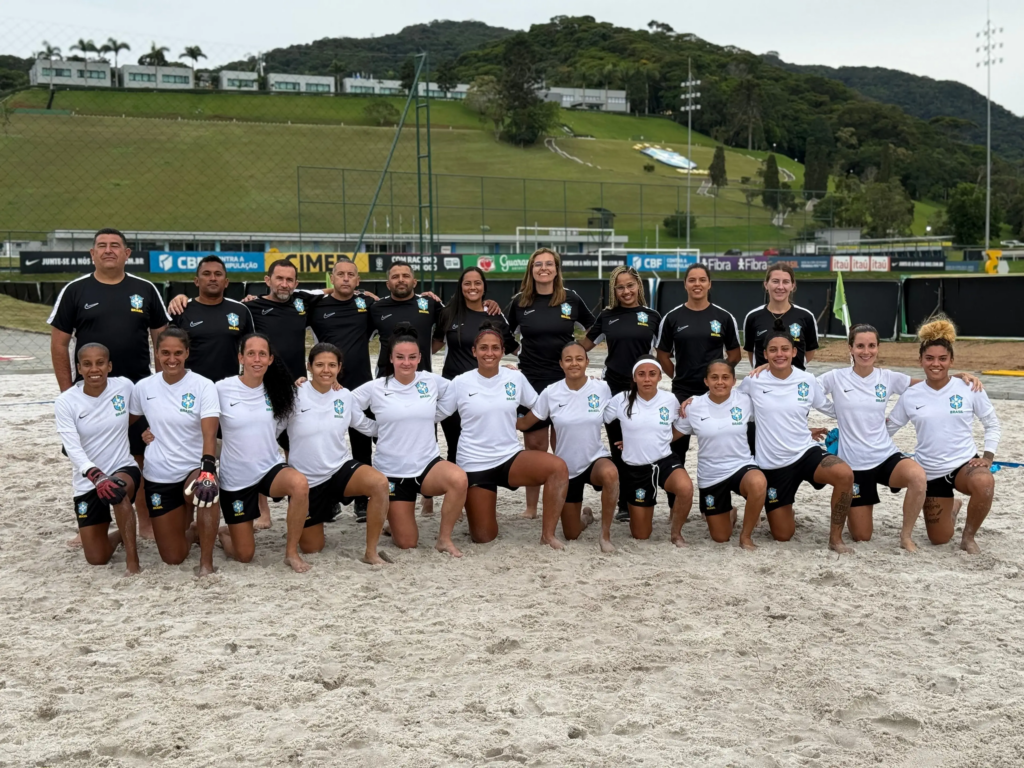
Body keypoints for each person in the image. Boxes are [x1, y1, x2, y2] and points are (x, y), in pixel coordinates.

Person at [48, 227, 169, 541]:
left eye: (116, 245)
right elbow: (60, 344)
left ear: (127, 253)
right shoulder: (76, 290)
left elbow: (161, 343)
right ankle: (91, 524)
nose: (108, 250)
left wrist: (161, 389)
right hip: (91, 393)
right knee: (88, 455)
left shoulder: (145, 289)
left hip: (137, 391)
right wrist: (68, 394)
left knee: (139, 455)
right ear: (92, 254)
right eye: (101, 246)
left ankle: (143, 521)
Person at [817, 324, 982, 551]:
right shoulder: (835, 377)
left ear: (878, 348)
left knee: (917, 476)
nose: (867, 351)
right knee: (862, 536)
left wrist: (956, 377)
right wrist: (824, 416)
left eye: (872, 346)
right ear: (851, 348)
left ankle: (906, 536)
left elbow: (929, 383)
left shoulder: (888, 378)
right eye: (860, 346)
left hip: (885, 455)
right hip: (853, 463)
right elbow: (801, 390)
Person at [436, 322, 570, 550]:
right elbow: (437, 414)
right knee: (483, 536)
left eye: (495, 348)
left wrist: (581, 385)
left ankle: (547, 534)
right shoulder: (460, 382)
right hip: (475, 463)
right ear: (474, 351)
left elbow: (540, 405)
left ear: (502, 350)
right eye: (484, 348)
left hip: (510, 457)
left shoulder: (515, 378)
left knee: (558, 468)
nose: (490, 353)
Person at [351, 324, 468, 557]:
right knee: (407, 543)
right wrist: (373, 428)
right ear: (391, 359)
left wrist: (435, 415)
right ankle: (393, 521)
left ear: (420, 358)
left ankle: (444, 539)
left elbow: (458, 388)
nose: (407, 362)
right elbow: (348, 404)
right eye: (400, 357)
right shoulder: (376, 387)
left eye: (412, 357)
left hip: (427, 465)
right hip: (392, 473)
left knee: (459, 478)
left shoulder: (430, 381)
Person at [886, 317, 1000, 554]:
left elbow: (992, 424)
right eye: (929, 358)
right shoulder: (911, 395)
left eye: (942, 359)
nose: (935, 364)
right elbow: (888, 429)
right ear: (920, 360)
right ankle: (953, 506)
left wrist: (988, 456)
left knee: (985, 482)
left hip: (963, 464)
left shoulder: (969, 387)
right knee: (939, 539)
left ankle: (968, 537)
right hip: (930, 472)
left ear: (951, 361)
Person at [735, 330, 853, 553]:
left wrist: (865, 408)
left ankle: (836, 539)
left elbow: (831, 409)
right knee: (783, 535)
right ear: (765, 354)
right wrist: (695, 402)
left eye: (784, 349)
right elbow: (731, 404)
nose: (779, 354)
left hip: (804, 453)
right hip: (773, 465)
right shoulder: (754, 380)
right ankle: (785, 510)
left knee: (844, 474)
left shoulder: (806, 380)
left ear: (794, 352)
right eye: (773, 350)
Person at [505, 248, 596, 518]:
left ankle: (563, 503)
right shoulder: (520, 302)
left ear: (556, 269)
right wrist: (519, 353)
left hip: (563, 382)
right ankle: (531, 508)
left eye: (548, 264)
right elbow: (504, 334)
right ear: (531, 270)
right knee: (534, 446)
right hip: (531, 381)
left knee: (563, 445)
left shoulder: (571, 299)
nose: (543, 269)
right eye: (537, 265)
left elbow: (596, 327)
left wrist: (577, 352)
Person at [286, 343, 391, 564]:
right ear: (309, 367)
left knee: (379, 484)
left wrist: (398, 426)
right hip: (308, 481)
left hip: (339, 468)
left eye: (332, 365)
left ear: (339, 368)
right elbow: (272, 429)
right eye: (320, 365)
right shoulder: (295, 394)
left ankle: (370, 552)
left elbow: (365, 425)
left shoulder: (344, 395)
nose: (326, 370)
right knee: (312, 548)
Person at [216, 333, 312, 573]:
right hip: (236, 478)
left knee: (299, 484)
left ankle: (291, 552)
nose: (256, 359)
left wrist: (332, 384)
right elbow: (194, 423)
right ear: (241, 357)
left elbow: (285, 421)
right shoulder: (221, 389)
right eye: (251, 354)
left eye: (262, 354)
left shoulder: (280, 389)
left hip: (269, 468)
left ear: (270, 359)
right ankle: (222, 531)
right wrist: (150, 432)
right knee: (244, 555)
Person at [129, 328, 220, 575]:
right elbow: (128, 419)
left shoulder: (203, 386)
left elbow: (209, 433)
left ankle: (206, 563)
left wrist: (208, 470)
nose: (172, 359)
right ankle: (193, 531)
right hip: (158, 474)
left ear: (187, 353)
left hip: (192, 468)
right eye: (166, 353)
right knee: (173, 557)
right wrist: (142, 432)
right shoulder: (143, 387)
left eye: (178, 352)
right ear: (156, 354)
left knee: (207, 491)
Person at [655, 263, 742, 512]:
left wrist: (719, 378)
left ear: (709, 283)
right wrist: (679, 375)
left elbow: (735, 354)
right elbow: (662, 354)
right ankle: (676, 507)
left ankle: (717, 504)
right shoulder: (672, 318)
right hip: (682, 391)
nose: (697, 284)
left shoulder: (724, 317)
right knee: (676, 448)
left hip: (714, 395)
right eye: (692, 280)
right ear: (685, 284)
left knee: (717, 445)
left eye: (702, 280)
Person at [518, 341, 618, 552]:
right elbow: (525, 423)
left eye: (579, 359)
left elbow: (622, 412)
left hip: (594, 460)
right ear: (561, 364)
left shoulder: (601, 388)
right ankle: (586, 517)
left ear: (587, 362)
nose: (574, 363)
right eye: (569, 359)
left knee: (611, 473)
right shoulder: (551, 392)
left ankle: (605, 535)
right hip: (566, 469)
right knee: (571, 534)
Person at [580, 265, 662, 522]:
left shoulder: (652, 316)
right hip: (614, 389)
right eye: (620, 287)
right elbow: (581, 347)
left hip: (644, 388)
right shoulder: (607, 316)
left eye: (630, 285)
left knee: (640, 442)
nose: (626, 291)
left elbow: (664, 352)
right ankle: (624, 504)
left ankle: (642, 496)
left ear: (638, 286)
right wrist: (584, 374)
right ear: (614, 290)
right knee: (619, 445)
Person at [53, 342, 141, 574]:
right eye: (88, 364)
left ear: (109, 365)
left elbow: (144, 411)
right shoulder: (66, 401)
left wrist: (148, 431)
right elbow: (72, 448)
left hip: (123, 467)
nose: (95, 369)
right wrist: (96, 475)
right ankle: (120, 534)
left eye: (100, 363)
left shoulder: (124, 386)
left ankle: (133, 562)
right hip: (88, 479)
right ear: (79, 369)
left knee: (116, 490)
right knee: (97, 557)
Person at [307, 258, 377, 522]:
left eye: (351, 275)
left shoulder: (367, 305)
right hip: (325, 385)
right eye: (340, 274)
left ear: (357, 281)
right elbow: (289, 300)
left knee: (361, 443)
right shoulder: (316, 306)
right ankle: (329, 498)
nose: (346, 278)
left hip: (360, 383)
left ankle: (362, 501)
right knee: (325, 442)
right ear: (331, 278)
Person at [602, 357, 694, 545]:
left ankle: (676, 534)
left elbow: (683, 425)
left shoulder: (669, 399)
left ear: (660, 377)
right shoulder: (621, 399)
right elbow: (599, 417)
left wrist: (694, 400)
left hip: (664, 460)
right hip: (636, 468)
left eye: (652, 374)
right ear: (634, 377)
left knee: (685, 488)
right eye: (641, 374)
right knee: (641, 534)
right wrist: (627, 440)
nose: (647, 379)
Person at [675, 360, 766, 550]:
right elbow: (673, 435)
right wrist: (638, 442)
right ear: (706, 381)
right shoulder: (693, 406)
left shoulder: (745, 400)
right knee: (720, 537)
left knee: (758, 482)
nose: (720, 382)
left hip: (741, 466)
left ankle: (746, 536)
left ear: (734, 380)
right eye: (714, 377)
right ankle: (730, 513)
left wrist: (807, 431)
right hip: (711, 475)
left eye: (725, 377)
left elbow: (776, 417)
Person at [433, 266, 518, 463]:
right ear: (460, 287)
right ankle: (456, 491)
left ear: (484, 287)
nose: (472, 287)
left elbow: (514, 348)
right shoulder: (448, 314)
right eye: (467, 283)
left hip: (485, 393)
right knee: (455, 448)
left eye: (477, 283)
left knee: (480, 446)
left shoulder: (495, 315)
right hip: (452, 391)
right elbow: (432, 347)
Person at [169, 255, 254, 383]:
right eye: (207, 274)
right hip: (190, 389)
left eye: (218, 274)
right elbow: (169, 351)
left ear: (226, 282)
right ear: (196, 281)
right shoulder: (181, 310)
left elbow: (252, 351)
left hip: (228, 388)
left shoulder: (240, 310)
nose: (213, 278)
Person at [742, 263, 818, 370]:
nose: (780, 287)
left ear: (792, 286)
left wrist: (790, 368)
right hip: (764, 381)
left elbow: (809, 352)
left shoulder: (806, 317)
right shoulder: (753, 317)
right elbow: (751, 352)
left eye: (786, 282)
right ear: (766, 285)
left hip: (794, 382)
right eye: (775, 281)